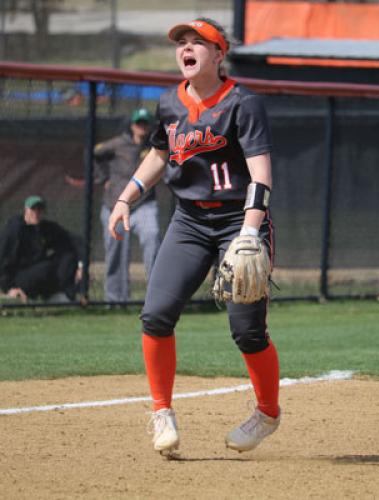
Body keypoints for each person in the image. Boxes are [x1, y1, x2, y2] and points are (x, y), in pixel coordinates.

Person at [108, 18, 281, 456]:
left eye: (197, 43)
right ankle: (162, 412)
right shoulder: (169, 102)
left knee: (247, 331)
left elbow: (261, 174)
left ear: (219, 54)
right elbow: (160, 154)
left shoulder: (243, 104)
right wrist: (127, 196)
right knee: (156, 314)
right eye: (181, 43)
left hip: (237, 221)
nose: (186, 49)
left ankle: (267, 412)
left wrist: (249, 232)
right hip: (188, 222)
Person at [94, 108, 161, 302]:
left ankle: (156, 297)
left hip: (144, 204)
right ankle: (116, 299)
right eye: (138, 123)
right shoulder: (118, 143)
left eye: (145, 123)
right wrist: (103, 177)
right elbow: (94, 153)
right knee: (116, 250)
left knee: (152, 239)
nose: (142, 127)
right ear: (132, 125)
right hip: (114, 204)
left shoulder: (155, 145)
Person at [0, 195, 82, 303]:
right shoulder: (14, 230)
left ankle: (61, 296)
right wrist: (8, 288)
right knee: (45, 268)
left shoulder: (46, 228)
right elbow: (3, 261)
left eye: (39, 209)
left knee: (68, 257)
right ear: (26, 210)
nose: (36, 213)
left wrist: (81, 266)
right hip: (19, 276)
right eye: (33, 209)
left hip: (40, 270)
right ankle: (28, 297)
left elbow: (73, 240)